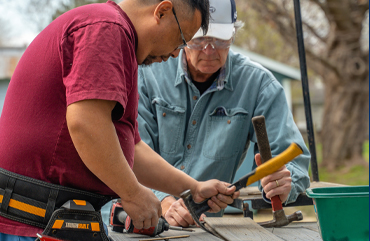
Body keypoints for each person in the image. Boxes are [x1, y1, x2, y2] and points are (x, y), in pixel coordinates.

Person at [0, 0, 240, 240]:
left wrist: (194, 189)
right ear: (162, 11)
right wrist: (133, 193)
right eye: (180, 39)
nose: (177, 53)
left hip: (52, 221)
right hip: (32, 224)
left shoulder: (120, 42)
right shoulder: (107, 27)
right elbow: (86, 123)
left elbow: (130, 151)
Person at [137, 0, 311, 227]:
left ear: (233, 35)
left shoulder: (258, 85)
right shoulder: (147, 74)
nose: (209, 51)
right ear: (182, 35)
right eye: (199, 39)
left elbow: (292, 161)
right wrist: (164, 202)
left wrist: (282, 183)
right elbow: (130, 152)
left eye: (220, 39)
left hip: (204, 227)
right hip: (137, 217)